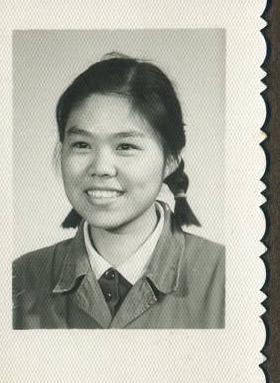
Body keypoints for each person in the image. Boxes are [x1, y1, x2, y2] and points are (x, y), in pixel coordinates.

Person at [13, 54, 225, 329]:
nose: (101, 168)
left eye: (125, 146)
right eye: (81, 144)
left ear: (170, 159)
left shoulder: (227, 276)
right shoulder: (19, 278)